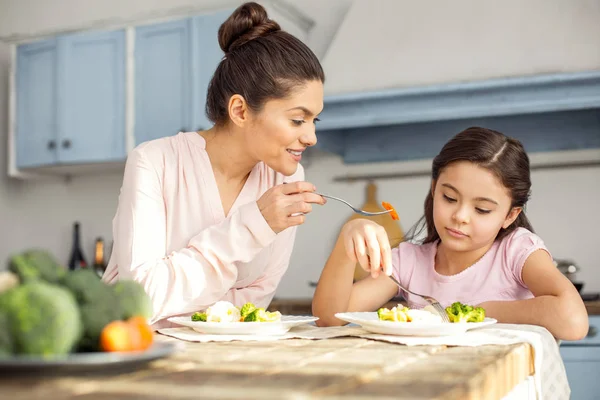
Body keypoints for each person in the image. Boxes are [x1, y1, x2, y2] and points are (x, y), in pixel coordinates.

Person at [102, 2, 326, 329]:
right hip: (130, 353)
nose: (311, 137)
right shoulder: (155, 162)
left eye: (314, 120)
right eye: (297, 119)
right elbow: (138, 301)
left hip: (219, 357)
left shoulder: (283, 178)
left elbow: (252, 303)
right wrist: (251, 225)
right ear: (240, 111)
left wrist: (180, 296)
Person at [313, 127, 589, 341]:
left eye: (481, 209)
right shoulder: (410, 262)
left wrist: (477, 312)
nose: (460, 216)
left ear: (510, 216)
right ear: (434, 189)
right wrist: (346, 240)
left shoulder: (517, 251)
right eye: (449, 198)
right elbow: (330, 317)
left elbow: (573, 322)